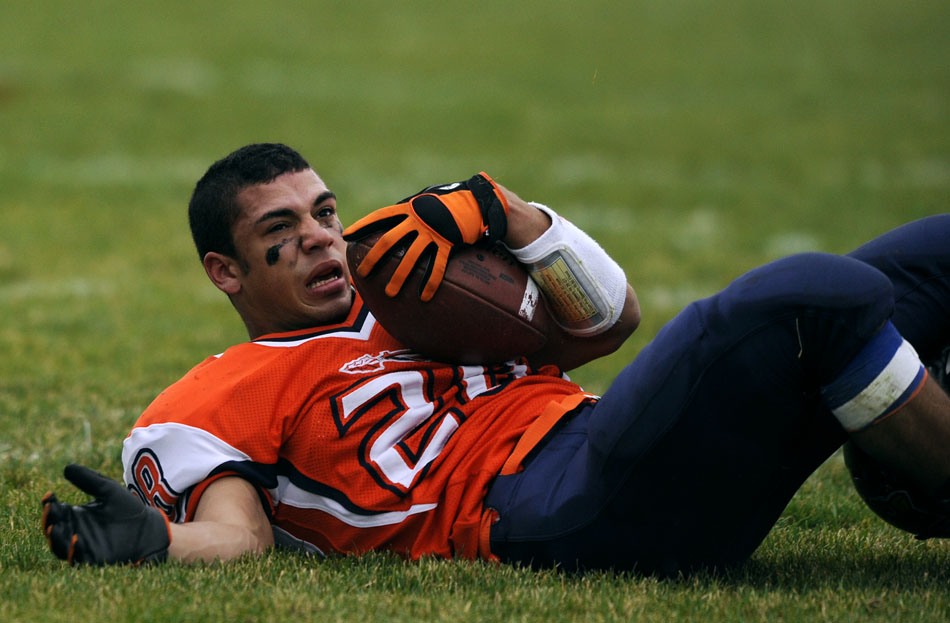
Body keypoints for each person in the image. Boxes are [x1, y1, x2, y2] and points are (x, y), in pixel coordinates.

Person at [41, 143, 950, 574]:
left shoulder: (407, 288)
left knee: (917, 260)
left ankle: (912, 464)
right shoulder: (212, 393)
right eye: (283, 232)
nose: (323, 240)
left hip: (614, 444)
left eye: (324, 211)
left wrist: (512, 216)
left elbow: (613, 321)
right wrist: (160, 541)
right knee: (809, 294)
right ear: (224, 271)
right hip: (547, 509)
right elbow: (238, 534)